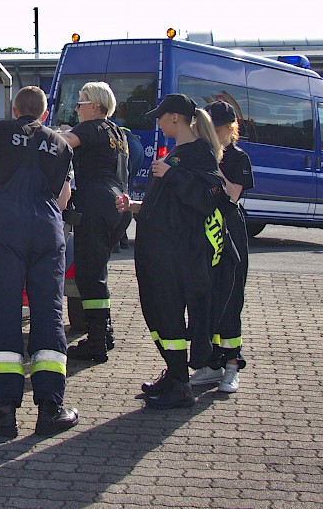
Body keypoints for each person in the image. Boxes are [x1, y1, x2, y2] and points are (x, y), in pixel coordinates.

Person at [0, 86, 79, 439]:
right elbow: (63, 198)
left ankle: (2, 410)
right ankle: (51, 409)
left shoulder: (0, 130)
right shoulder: (61, 143)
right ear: (44, 114)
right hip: (47, 232)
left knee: (5, 311)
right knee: (48, 312)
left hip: (7, 230)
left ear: (15, 109)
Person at [121, 94, 225, 410]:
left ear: (176, 118)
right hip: (158, 248)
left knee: (167, 313)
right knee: (157, 311)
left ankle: (181, 384)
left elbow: (209, 197)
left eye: (161, 116)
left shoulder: (199, 153)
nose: (158, 121)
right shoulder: (179, 152)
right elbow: (168, 203)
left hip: (176, 252)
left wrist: (172, 173)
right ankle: (174, 373)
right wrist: (136, 207)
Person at [57, 81, 129, 364]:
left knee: (89, 275)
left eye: (81, 102)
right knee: (97, 271)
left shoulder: (91, 127)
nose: (76, 108)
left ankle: (97, 342)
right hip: (118, 205)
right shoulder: (117, 133)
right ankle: (104, 332)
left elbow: (62, 144)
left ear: (95, 106)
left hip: (97, 204)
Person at [188, 100, 254, 394]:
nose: (211, 133)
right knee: (208, 297)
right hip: (204, 230)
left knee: (230, 296)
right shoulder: (201, 154)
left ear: (230, 128)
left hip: (230, 230)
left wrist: (212, 167)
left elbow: (231, 195)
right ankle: (210, 363)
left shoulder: (238, 158)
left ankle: (231, 364)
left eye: (216, 128)